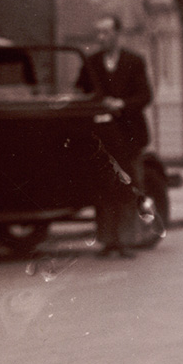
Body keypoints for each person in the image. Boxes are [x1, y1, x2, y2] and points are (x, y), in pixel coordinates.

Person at [77, 14, 153, 258]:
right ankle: (108, 240)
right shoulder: (91, 63)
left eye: (106, 32)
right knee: (104, 188)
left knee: (129, 186)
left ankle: (127, 240)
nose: (101, 37)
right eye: (98, 32)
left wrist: (121, 103)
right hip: (103, 137)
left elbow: (145, 96)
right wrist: (99, 103)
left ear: (118, 34)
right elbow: (80, 91)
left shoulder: (134, 61)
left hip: (130, 135)